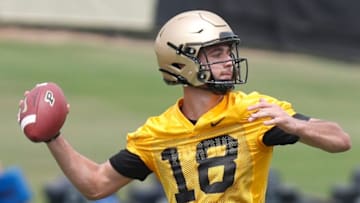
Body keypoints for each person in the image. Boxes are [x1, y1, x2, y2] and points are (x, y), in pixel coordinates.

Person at [18, 10, 351, 203]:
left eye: (228, 52)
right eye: (217, 54)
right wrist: (53, 136)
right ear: (181, 62)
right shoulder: (156, 133)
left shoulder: (254, 111)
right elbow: (95, 185)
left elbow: (340, 140)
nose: (230, 62)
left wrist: (298, 126)